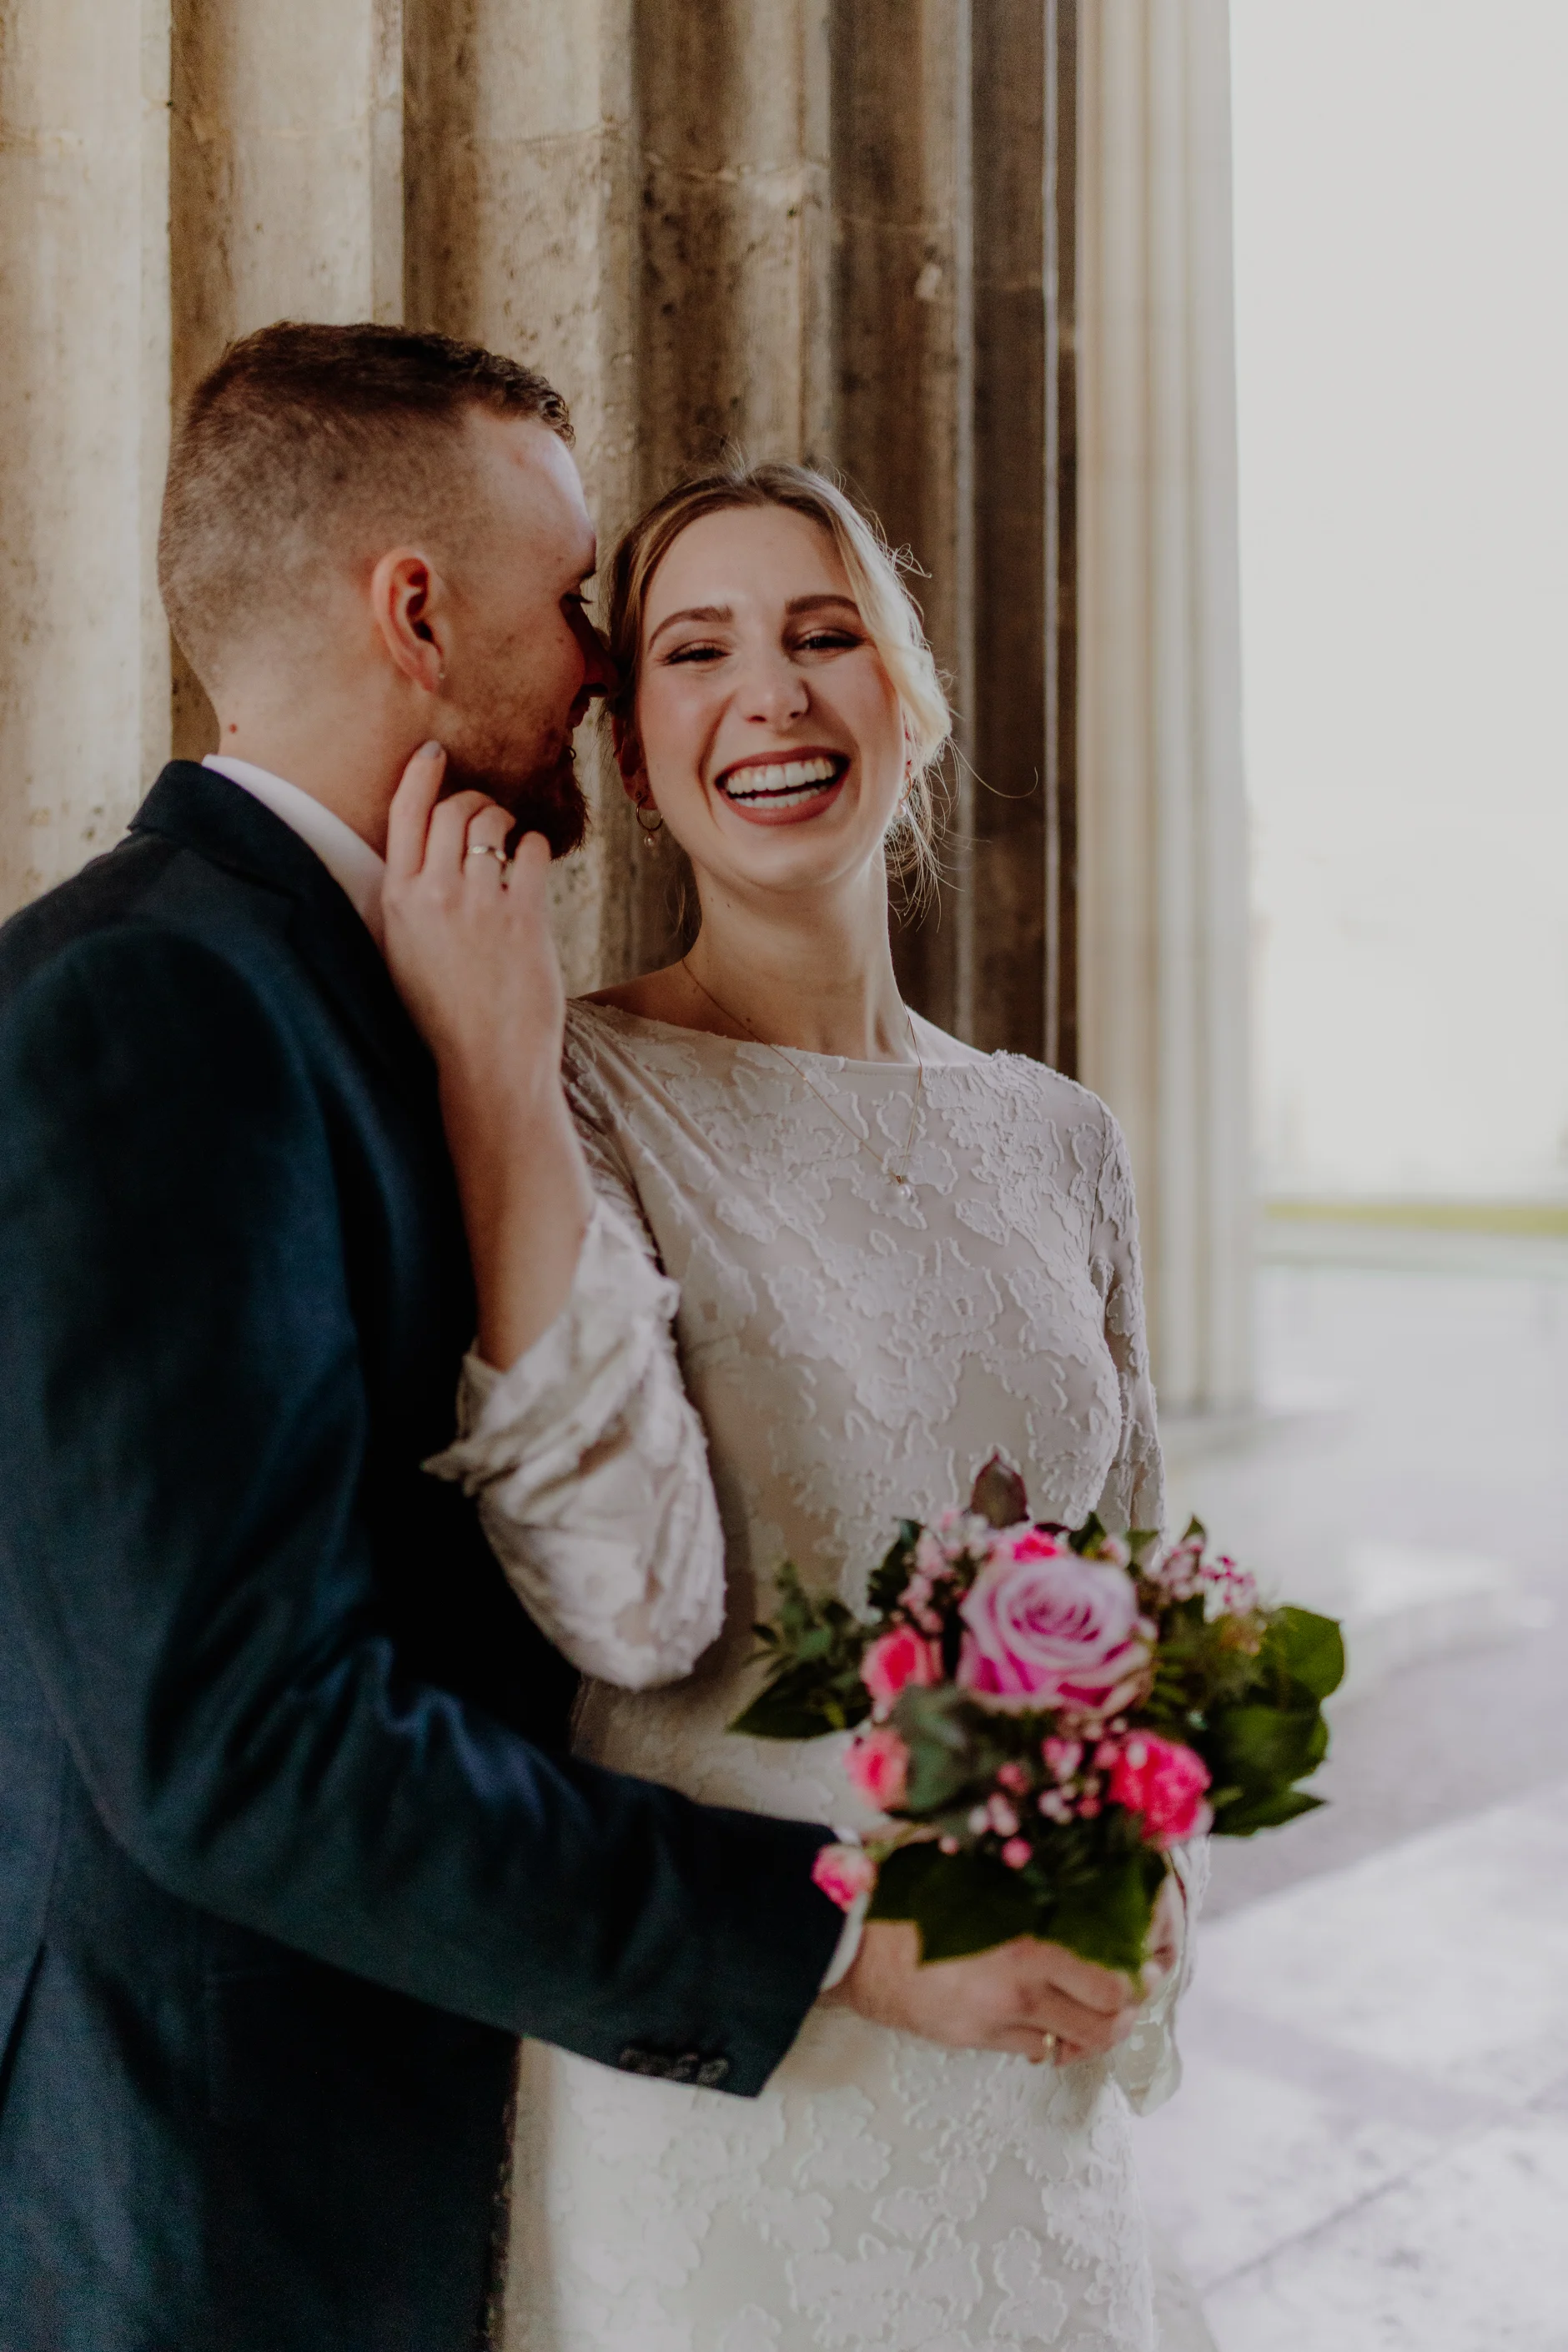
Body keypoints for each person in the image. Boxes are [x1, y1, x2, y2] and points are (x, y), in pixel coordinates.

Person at [0, 329, 1146, 2352]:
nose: (612, 665)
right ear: (418, 616)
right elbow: (234, 1740)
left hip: (542, 2096)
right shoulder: (160, 998)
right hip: (229, 2186)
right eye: (593, 614)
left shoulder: (342, 978)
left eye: (820, 634)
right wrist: (838, 1937)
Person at [407, 461, 1214, 2350]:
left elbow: (1142, 1591)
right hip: (734, 2083)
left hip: (1019, 2080)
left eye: (821, 636)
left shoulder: (1060, 1139)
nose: (768, 693)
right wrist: (488, 1066)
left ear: (906, 707)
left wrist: (1146, 1869)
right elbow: (592, 1572)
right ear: (635, 753)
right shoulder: (578, 1089)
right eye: (696, 651)